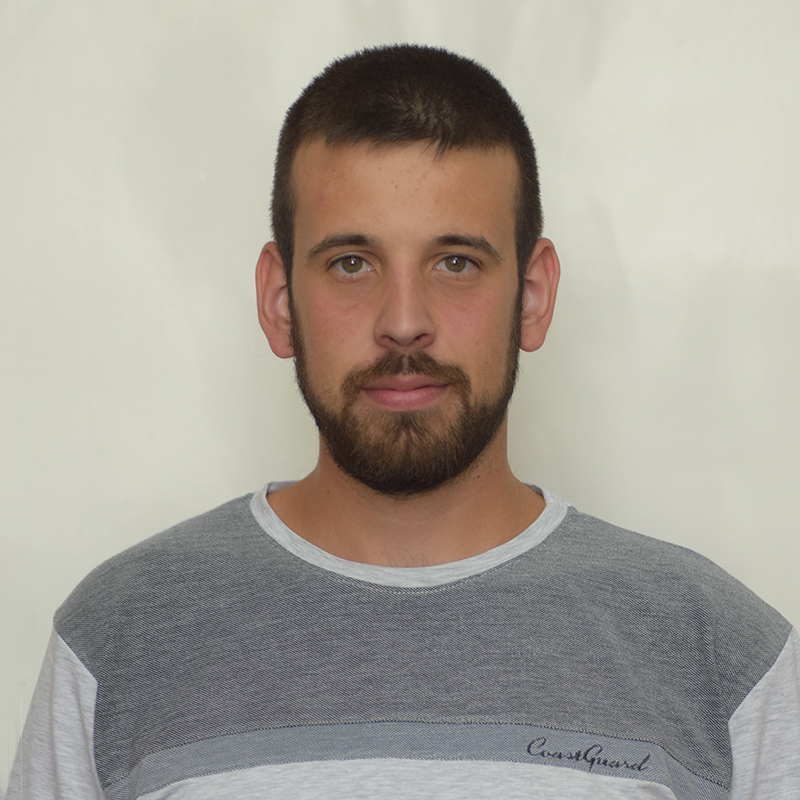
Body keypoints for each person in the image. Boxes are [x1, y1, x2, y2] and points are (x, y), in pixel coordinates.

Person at [8, 44, 800, 800]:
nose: (404, 323)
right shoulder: (121, 636)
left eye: (456, 262)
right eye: (351, 263)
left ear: (532, 297)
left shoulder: (721, 657)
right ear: (279, 301)